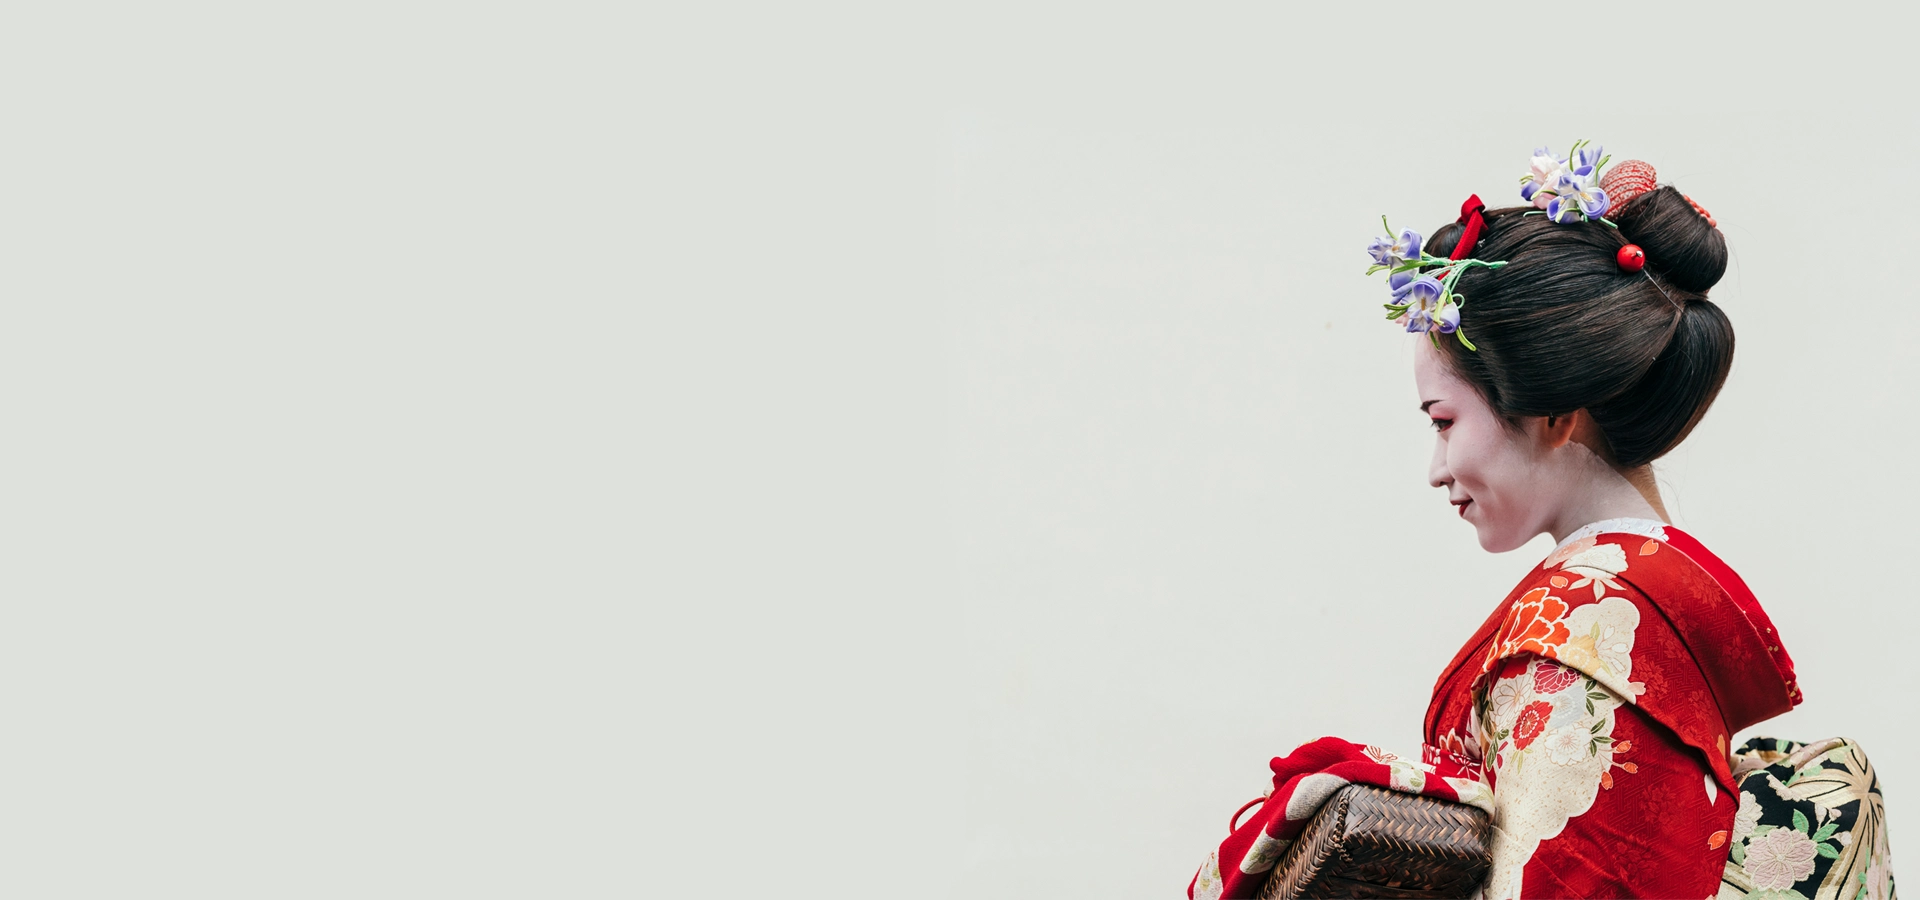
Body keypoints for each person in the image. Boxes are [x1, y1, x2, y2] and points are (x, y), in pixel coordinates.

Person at [1189, 148, 1895, 899]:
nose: (1436, 468)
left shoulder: (1583, 628)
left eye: (1443, 421)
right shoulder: (1638, 598)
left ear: (1554, 415)